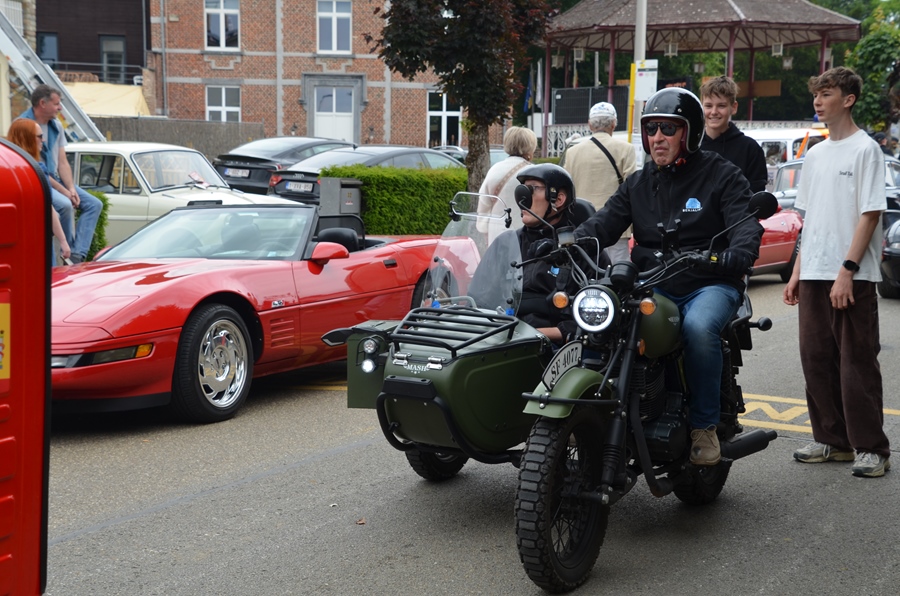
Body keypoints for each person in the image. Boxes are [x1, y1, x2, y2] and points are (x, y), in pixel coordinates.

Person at [574, 88, 763, 466]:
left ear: (689, 132)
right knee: (597, 320)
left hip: (708, 281)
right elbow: (604, 222)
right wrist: (567, 241)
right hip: (652, 282)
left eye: (668, 129)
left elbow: (745, 225)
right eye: (651, 129)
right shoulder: (639, 182)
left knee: (698, 328)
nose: (657, 137)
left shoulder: (721, 175)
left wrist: (737, 252)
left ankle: (704, 427)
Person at [783, 67, 891, 478]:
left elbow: (870, 213)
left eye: (826, 93)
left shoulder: (867, 149)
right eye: (817, 93)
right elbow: (810, 218)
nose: (818, 100)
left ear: (848, 99)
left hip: (852, 275)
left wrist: (847, 269)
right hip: (813, 271)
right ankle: (833, 440)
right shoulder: (815, 154)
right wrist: (797, 270)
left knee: (856, 364)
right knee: (815, 359)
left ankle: (872, 448)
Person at [471, 164, 579, 345]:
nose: (523, 198)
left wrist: (535, 334)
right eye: (523, 189)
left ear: (558, 199)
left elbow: (592, 319)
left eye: (533, 189)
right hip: (500, 341)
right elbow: (477, 302)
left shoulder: (580, 249)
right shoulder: (505, 244)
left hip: (552, 350)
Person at [20, 84, 102, 263]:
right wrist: (65, 192)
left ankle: (77, 254)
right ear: (43, 103)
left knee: (93, 204)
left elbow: (63, 162)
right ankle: (66, 251)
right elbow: (38, 170)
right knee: (65, 205)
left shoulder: (56, 126)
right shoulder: (23, 125)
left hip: (55, 179)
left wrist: (71, 188)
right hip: (38, 180)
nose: (60, 108)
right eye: (57, 104)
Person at [562, 101, 637, 263]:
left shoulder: (572, 152)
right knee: (616, 273)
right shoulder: (626, 149)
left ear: (590, 125)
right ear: (614, 124)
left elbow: (566, 191)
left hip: (583, 227)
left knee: (585, 271)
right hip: (617, 227)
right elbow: (634, 190)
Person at [6, 118, 72, 267]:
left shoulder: (7, 168)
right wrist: (63, 241)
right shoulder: (37, 170)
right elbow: (47, 207)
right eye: (40, 136)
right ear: (27, 139)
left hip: (12, 238)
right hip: (36, 238)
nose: (43, 140)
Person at [699, 76, 768, 193]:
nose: (714, 112)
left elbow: (755, 195)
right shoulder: (691, 147)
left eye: (721, 106)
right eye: (708, 106)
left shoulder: (750, 149)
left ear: (734, 107)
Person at [476, 126, 537, 244]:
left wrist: (484, 230)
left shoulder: (495, 169)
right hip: (525, 232)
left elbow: (484, 204)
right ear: (530, 146)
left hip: (497, 231)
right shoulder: (533, 172)